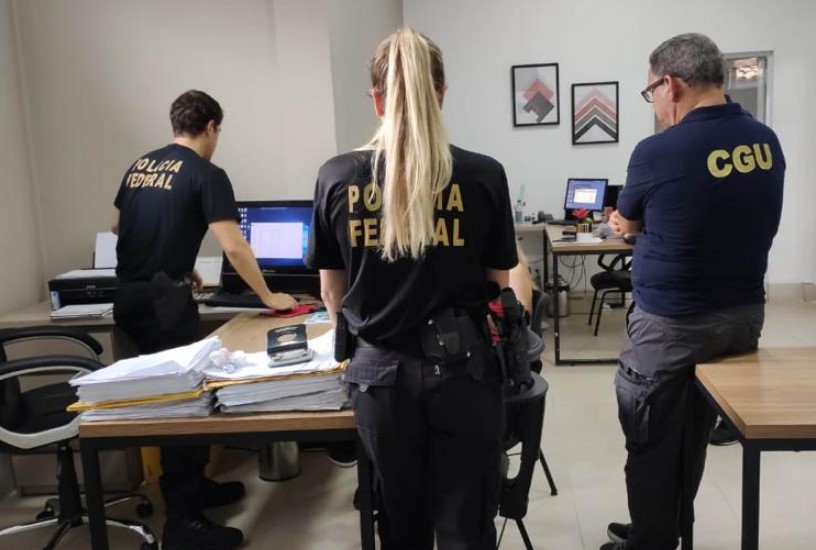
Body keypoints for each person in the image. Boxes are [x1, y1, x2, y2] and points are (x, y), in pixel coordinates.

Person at [306, 28, 518, 550]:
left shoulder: (336, 177)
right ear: (439, 94)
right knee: (466, 524)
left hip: (379, 378)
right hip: (465, 373)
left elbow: (332, 293)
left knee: (401, 524)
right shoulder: (484, 175)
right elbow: (498, 286)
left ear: (378, 100)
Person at [601, 34, 784, 550]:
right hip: (742, 318)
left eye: (651, 92)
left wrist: (629, 227)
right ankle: (665, 527)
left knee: (651, 437)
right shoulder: (765, 142)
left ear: (672, 84)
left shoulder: (659, 150)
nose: (654, 104)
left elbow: (627, 221)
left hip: (671, 324)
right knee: (693, 433)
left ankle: (652, 540)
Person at [112, 89, 297, 550]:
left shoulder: (141, 165)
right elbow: (233, 245)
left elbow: (120, 226)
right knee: (183, 406)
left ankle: (193, 489)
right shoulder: (206, 173)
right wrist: (269, 296)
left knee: (173, 398)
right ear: (211, 127)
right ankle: (183, 522)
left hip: (130, 298)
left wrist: (178, 262)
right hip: (163, 306)